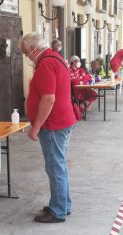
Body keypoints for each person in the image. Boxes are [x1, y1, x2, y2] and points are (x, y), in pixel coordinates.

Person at [20, 32, 77, 223]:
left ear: (33, 48)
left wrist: (35, 127)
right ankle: (63, 204)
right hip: (62, 121)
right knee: (58, 165)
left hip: (53, 125)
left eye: (26, 52)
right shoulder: (54, 58)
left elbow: (48, 99)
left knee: (55, 167)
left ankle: (58, 210)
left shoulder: (45, 63)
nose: (26, 57)